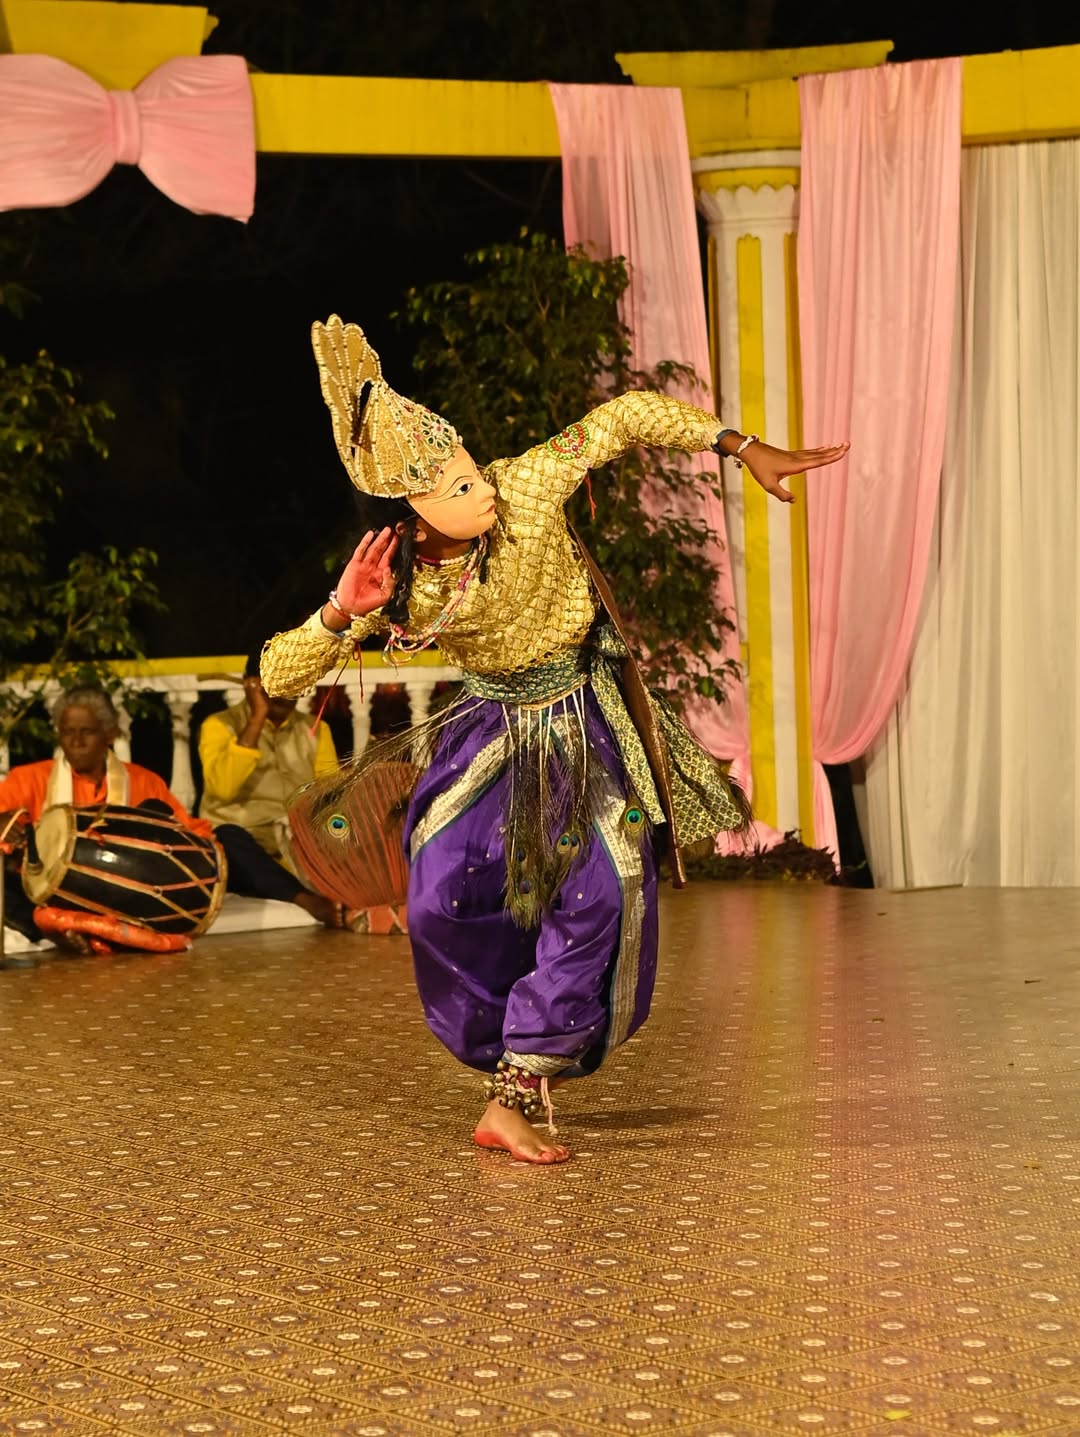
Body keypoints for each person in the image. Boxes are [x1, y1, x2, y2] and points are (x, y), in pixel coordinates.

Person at [261, 316, 848, 1164]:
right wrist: (341, 611)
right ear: (411, 516)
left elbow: (622, 419)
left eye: (470, 467)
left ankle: (519, 1084)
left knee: (598, 895)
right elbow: (280, 674)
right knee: (438, 902)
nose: (481, 487)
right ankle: (507, 1054)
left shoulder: (528, 485)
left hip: (581, 724)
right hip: (486, 737)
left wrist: (738, 442)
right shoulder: (399, 591)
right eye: (456, 488)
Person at [0, 686, 349, 942]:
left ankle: (307, 901)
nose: (75, 742)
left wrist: (215, 849)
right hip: (51, 897)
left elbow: (187, 829)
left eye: (86, 732)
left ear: (110, 734)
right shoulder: (28, 779)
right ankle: (54, 932)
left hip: (129, 896)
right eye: (67, 732)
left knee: (229, 837)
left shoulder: (142, 781)